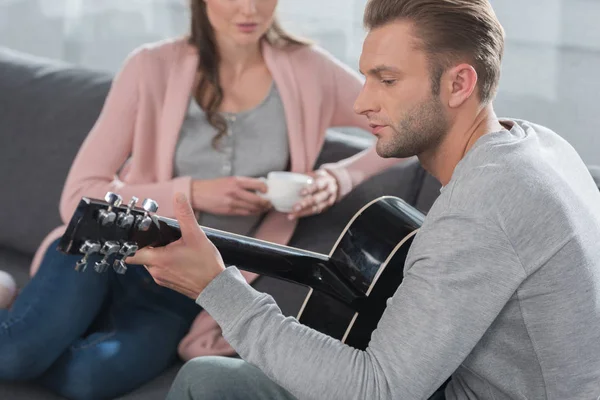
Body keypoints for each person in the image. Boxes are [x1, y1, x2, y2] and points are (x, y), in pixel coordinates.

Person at [128, 0, 600, 399]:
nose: (361, 102)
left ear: (459, 84)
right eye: (366, 78)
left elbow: (379, 389)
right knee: (212, 377)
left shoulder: (482, 209)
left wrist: (217, 289)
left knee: (205, 381)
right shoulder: (540, 144)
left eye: (387, 80)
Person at [0, 0, 403, 398]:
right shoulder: (150, 66)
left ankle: (25, 315)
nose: (249, 9)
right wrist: (193, 192)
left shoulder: (310, 69)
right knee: (17, 355)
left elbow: (401, 122)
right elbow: (79, 195)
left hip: (178, 290)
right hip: (105, 255)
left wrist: (340, 176)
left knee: (87, 380)